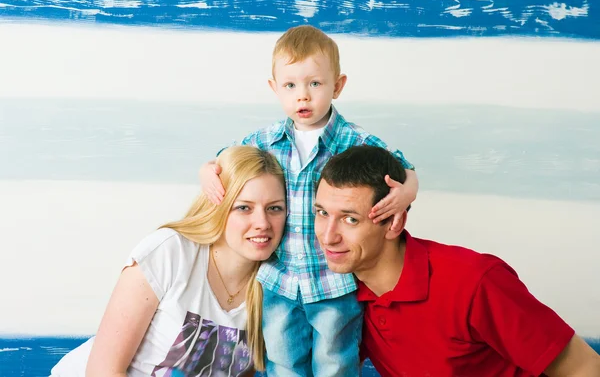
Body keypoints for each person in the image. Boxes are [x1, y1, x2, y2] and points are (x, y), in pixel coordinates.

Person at [200, 25, 419, 376]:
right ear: (275, 88)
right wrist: (207, 171)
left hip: (333, 280)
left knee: (335, 360)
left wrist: (407, 191)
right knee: (282, 360)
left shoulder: (355, 140)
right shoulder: (264, 139)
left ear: (338, 85)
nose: (303, 96)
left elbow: (403, 167)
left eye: (315, 84)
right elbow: (225, 160)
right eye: (290, 86)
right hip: (280, 278)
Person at [313, 145, 600, 377]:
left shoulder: (474, 282)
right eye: (322, 213)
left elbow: (584, 368)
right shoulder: (337, 289)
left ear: (393, 222)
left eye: (350, 219)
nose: (328, 237)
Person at [50, 146, 287, 377]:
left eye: (274, 208)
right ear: (218, 206)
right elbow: (103, 371)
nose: (262, 223)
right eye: (244, 208)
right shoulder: (169, 252)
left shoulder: (276, 289)